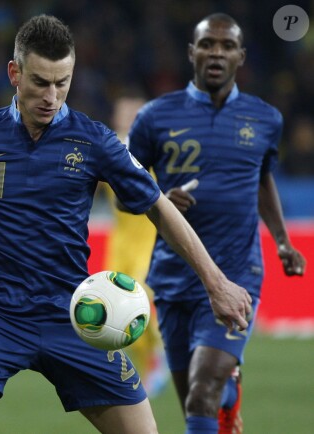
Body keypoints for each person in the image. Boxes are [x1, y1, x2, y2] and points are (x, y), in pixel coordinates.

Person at [0, 15, 252, 434]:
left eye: (62, 82)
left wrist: (215, 283)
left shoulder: (95, 141)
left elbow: (159, 207)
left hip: (74, 315)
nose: (52, 96)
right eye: (40, 82)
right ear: (14, 73)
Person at [126, 13, 306, 434]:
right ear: (192, 52)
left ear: (241, 56)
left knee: (201, 390)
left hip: (238, 272)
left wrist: (281, 241)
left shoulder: (265, 119)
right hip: (173, 276)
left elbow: (262, 180)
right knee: (196, 396)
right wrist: (158, 200)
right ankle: (229, 396)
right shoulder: (154, 117)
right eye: (208, 44)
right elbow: (122, 194)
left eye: (227, 46)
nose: (216, 53)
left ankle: (221, 391)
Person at [103, 93, 169, 398]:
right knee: (117, 311)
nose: (129, 118)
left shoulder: (155, 150)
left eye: (135, 113)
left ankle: (166, 350)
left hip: (149, 241)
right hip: (120, 243)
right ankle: (143, 370)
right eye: (124, 113)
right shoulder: (107, 148)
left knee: (143, 298)